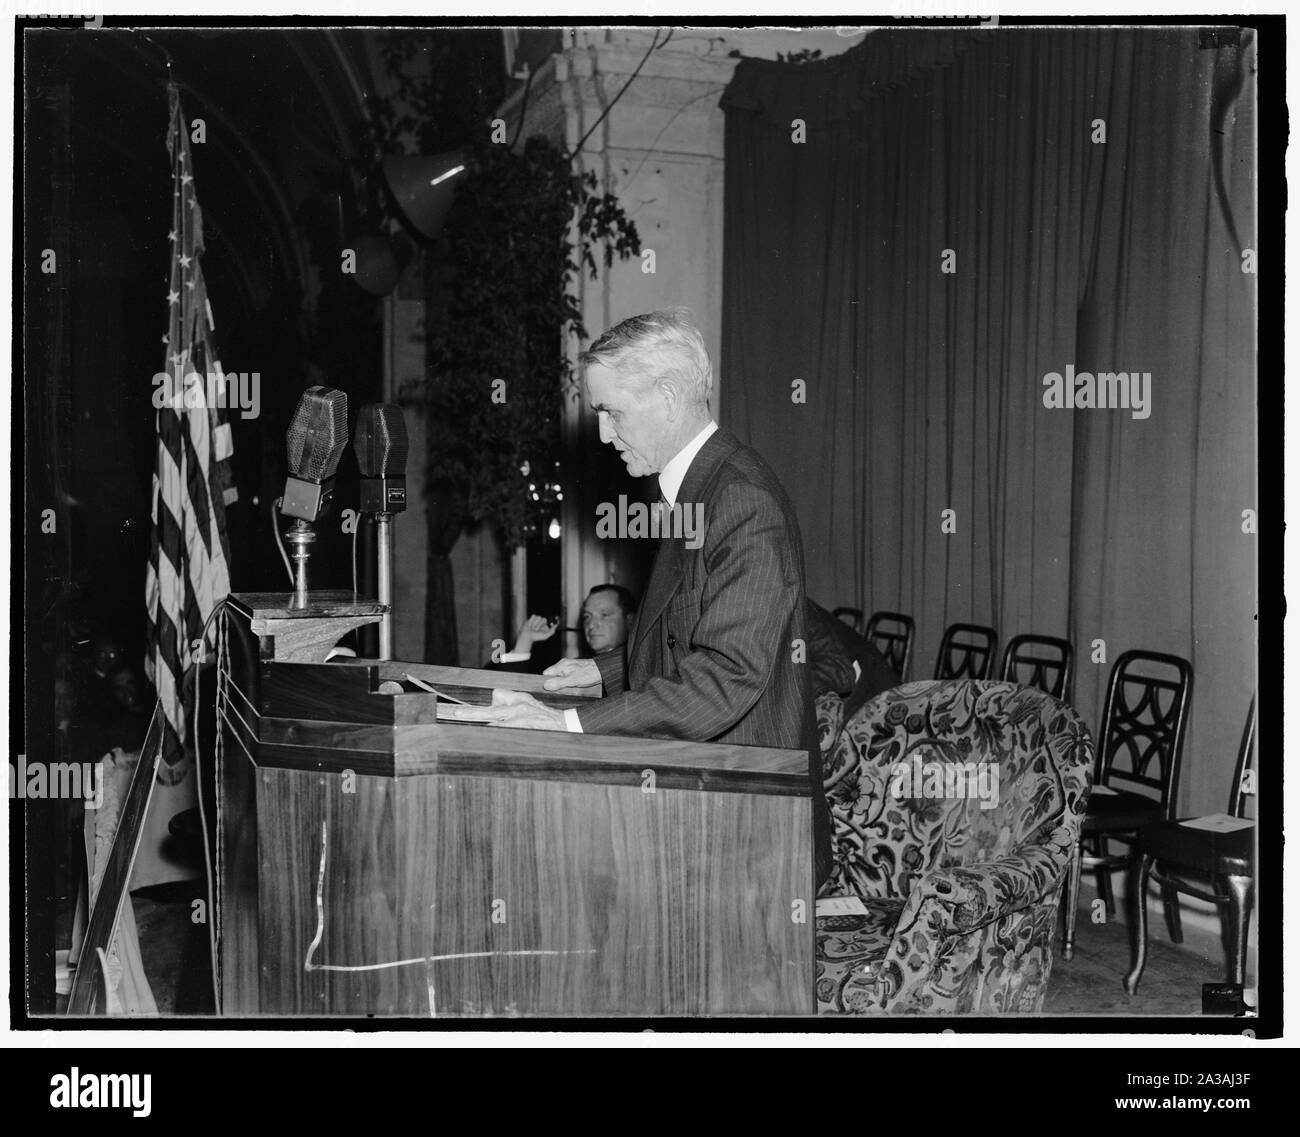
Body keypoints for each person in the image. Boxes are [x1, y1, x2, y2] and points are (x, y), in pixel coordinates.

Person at [483, 308, 831, 886]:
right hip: (712, 802)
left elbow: (727, 675)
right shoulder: (699, 489)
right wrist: (605, 674)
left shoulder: (741, 500)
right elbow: (690, 628)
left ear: (668, 396)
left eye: (612, 411)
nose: (603, 433)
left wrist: (570, 724)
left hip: (749, 830)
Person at [488, 584, 636, 674]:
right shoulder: (574, 667)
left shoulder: (640, 668)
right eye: (587, 616)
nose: (591, 625)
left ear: (630, 621)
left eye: (604, 615)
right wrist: (525, 641)